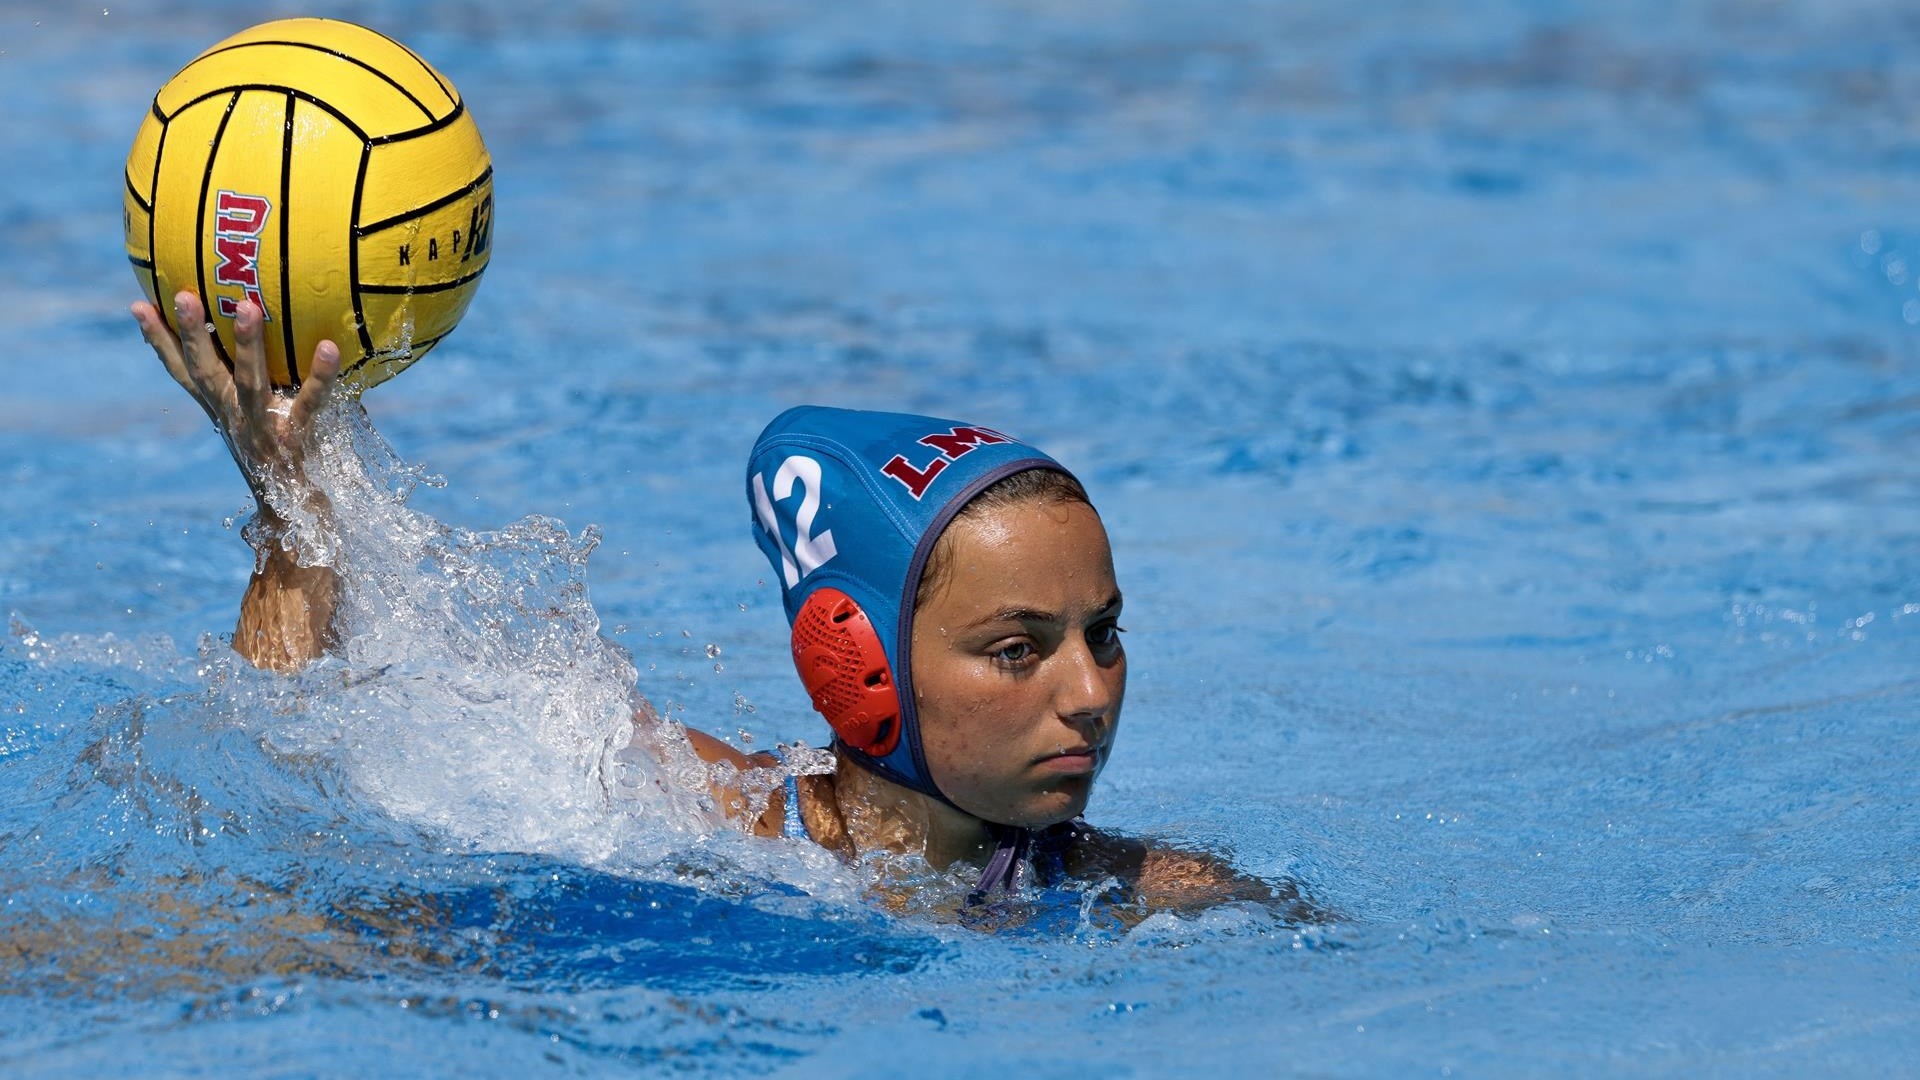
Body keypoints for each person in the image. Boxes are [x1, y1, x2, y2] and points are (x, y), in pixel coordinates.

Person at [134, 292, 1317, 917]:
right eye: (1019, 649)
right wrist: (298, 528)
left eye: (1103, 635)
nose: (1091, 694)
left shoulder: (1157, 898)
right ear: (860, 664)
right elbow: (277, 797)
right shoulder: (681, 817)